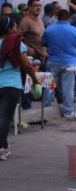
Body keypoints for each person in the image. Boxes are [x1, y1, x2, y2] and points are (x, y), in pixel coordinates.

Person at [0, 16, 41, 160]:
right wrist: (35, 80)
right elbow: (27, 66)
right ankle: (2, 147)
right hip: (11, 85)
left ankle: (3, 146)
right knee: (5, 117)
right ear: (10, 28)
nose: (17, 29)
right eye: (15, 26)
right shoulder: (16, 43)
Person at [41, 9, 76, 118]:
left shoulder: (49, 29)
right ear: (69, 18)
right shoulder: (74, 30)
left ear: (57, 17)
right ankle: (68, 111)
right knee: (68, 88)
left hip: (53, 61)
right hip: (69, 63)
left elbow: (43, 42)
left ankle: (46, 110)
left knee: (49, 87)